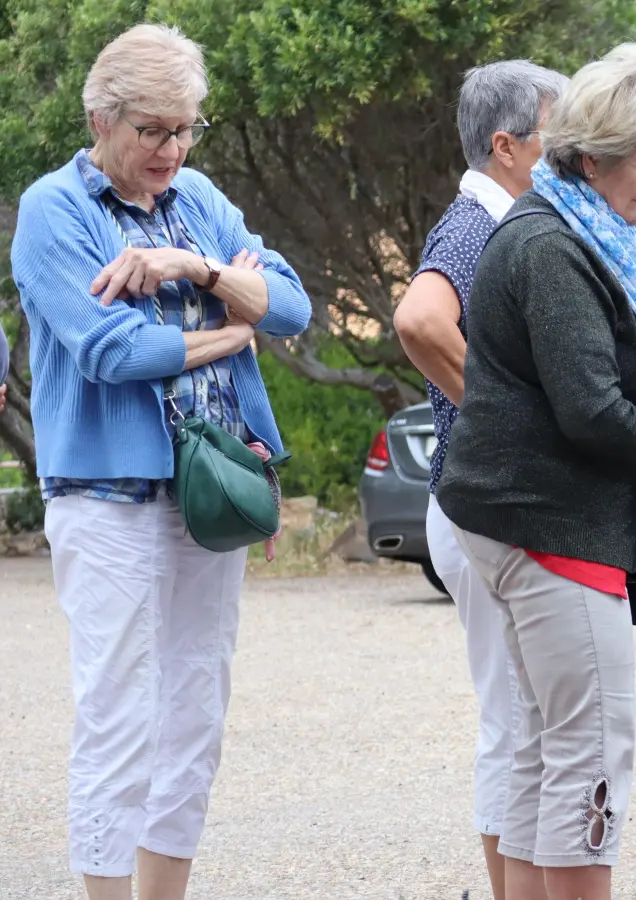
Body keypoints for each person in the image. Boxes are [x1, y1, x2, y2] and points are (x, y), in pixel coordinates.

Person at [9, 23, 312, 900]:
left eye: (185, 129)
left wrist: (195, 265)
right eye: (152, 129)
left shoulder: (201, 199)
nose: (171, 149)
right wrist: (231, 327)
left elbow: (289, 306)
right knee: (119, 719)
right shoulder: (52, 211)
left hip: (208, 496)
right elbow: (111, 351)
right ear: (101, 120)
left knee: (192, 718)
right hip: (105, 497)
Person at [435, 42, 636, 900]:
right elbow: (590, 409)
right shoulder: (557, 247)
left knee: (540, 745)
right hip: (552, 527)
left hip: (514, 520)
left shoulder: (550, 226)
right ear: (594, 153)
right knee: (591, 749)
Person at [393, 59, 568, 900]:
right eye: (556, 137)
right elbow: (420, 319)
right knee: (516, 723)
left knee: (525, 719)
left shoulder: (504, 216)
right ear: (508, 147)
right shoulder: (477, 225)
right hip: (480, 508)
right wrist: (512, 420)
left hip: (480, 505)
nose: (570, 154)